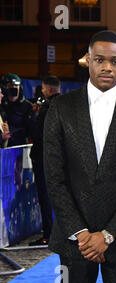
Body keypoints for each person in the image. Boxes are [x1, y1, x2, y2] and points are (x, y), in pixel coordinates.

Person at [44, 30, 116, 283]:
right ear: (88, 60)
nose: (107, 67)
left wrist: (108, 234)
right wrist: (82, 234)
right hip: (74, 242)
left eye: (114, 61)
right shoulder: (60, 107)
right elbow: (53, 177)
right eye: (100, 60)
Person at [29, 75, 61, 246]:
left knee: (45, 197)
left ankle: (48, 234)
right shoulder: (67, 106)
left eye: (42, 88)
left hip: (44, 161)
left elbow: (40, 136)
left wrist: (34, 156)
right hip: (62, 161)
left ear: (48, 90)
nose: (41, 91)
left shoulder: (47, 108)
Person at [1, 73, 36, 147]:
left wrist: (12, 130)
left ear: (20, 87)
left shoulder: (28, 106)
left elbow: (32, 131)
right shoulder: (1, 104)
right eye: (10, 85)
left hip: (19, 147)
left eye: (16, 85)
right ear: (4, 87)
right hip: (2, 146)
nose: (14, 87)